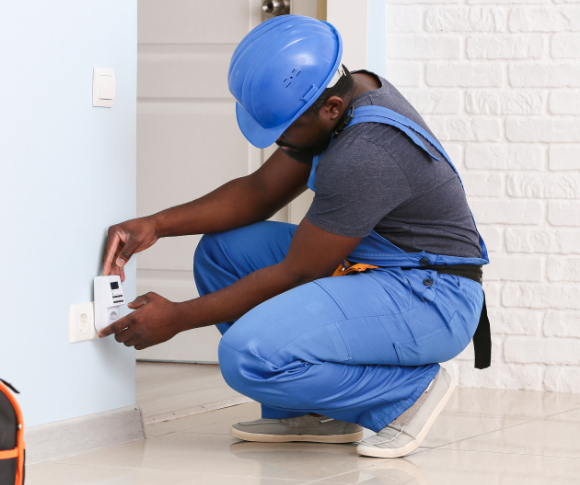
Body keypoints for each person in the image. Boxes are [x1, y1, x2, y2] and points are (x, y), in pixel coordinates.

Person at [99, 15, 490, 459]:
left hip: (432, 298)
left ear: (330, 109)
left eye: (283, 129)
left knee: (246, 356)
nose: (277, 141)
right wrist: (156, 224)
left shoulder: (365, 150)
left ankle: (407, 393)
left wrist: (178, 317)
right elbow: (260, 191)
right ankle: (312, 411)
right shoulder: (342, 96)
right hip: (379, 270)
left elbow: (299, 271)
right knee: (222, 254)